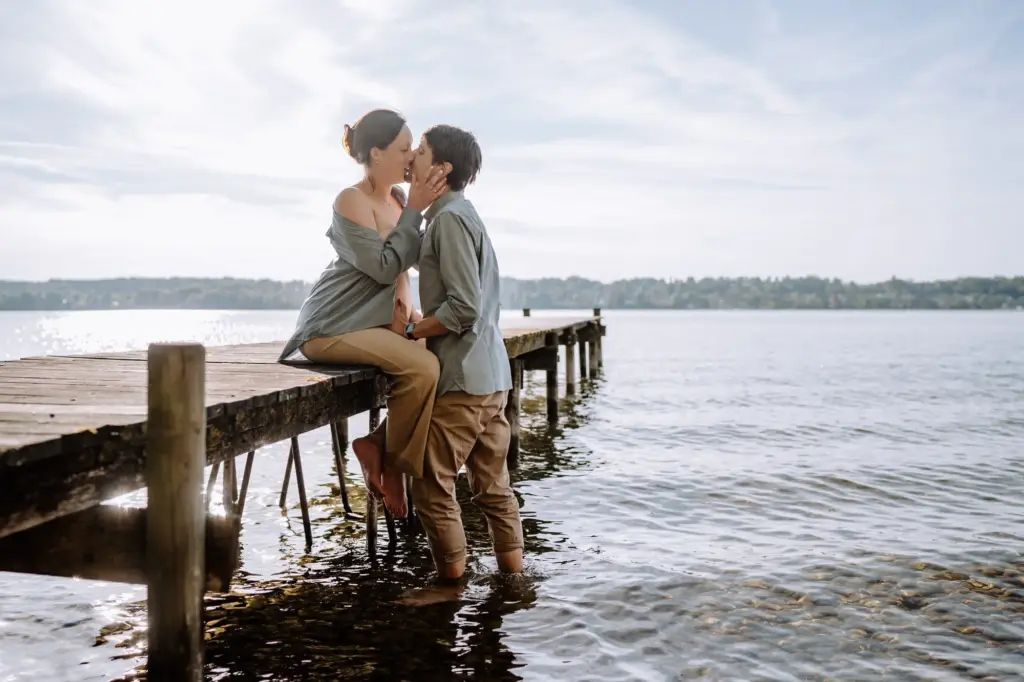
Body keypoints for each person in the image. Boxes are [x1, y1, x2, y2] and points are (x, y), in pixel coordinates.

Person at [279, 109, 448, 518]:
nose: (411, 157)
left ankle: (377, 445)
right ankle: (393, 467)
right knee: (423, 369)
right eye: (404, 149)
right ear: (376, 153)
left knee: (446, 353)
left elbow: (411, 265)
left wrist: (411, 316)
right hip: (331, 326)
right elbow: (385, 266)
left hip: (373, 323)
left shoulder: (398, 199)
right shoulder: (350, 200)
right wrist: (417, 212)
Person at [388, 124, 524, 580]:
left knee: (430, 486)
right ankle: (513, 578)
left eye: (421, 151)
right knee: (492, 488)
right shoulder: (463, 215)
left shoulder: (448, 221)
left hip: (464, 379)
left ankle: (451, 585)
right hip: (492, 376)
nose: (412, 158)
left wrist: (413, 330)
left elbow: (463, 306)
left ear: (441, 169)